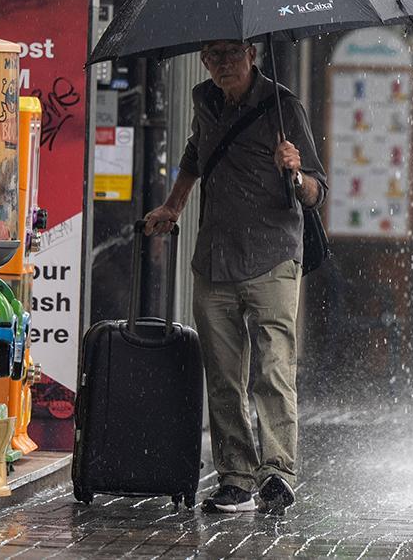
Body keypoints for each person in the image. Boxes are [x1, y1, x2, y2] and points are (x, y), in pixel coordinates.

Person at [142, 40, 327, 516]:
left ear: (252, 54)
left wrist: (296, 171)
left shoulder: (284, 107)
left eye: (230, 54)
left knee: (273, 368)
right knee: (223, 376)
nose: (222, 64)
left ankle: (278, 472)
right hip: (215, 258)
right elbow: (195, 156)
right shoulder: (204, 100)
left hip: (273, 257)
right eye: (212, 56)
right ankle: (236, 478)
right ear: (203, 61)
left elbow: (316, 191)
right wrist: (173, 206)